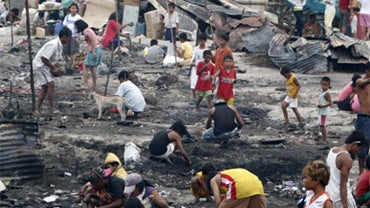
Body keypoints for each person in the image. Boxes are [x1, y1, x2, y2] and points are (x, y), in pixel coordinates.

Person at [33, 26, 72, 116]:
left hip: (44, 66)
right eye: (69, 38)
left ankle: (38, 109)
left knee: (45, 87)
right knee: (50, 84)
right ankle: (51, 108)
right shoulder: (54, 45)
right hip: (40, 66)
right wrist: (53, 68)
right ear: (65, 36)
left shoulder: (59, 46)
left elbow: (52, 59)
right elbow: (44, 58)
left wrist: (56, 67)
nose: (69, 40)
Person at [325, 131, 368, 208]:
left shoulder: (332, 150)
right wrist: (345, 204)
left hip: (329, 195)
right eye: (359, 149)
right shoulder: (346, 159)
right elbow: (343, 184)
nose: (358, 152)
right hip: (340, 199)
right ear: (354, 145)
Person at [74, 19, 102, 92]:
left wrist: (93, 51)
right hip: (96, 48)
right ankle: (94, 85)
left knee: (85, 66)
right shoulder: (89, 29)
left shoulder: (86, 31)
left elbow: (91, 41)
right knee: (92, 68)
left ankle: (86, 84)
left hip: (94, 49)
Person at [355, 64, 370, 173]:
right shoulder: (360, 82)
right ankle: (361, 172)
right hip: (364, 118)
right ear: (367, 71)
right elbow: (361, 82)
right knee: (363, 145)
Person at [63, 3, 82, 69]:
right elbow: (65, 26)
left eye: (75, 8)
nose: (73, 10)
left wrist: (78, 37)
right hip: (67, 36)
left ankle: (73, 65)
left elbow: (80, 28)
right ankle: (68, 65)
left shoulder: (78, 17)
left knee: (73, 51)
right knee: (66, 50)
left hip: (74, 36)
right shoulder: (67, 17)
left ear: (77, 9)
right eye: (72, 8)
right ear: (70, 9)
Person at [190, 33, 207, 99]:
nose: (200, 42)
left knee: (203, 82)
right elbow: (193, 59)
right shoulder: (196, 49)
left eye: (202, 41)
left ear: (205, 41)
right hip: (195, 68)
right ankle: (194, 95)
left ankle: (201, 95)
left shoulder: (206, 50)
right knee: (194, 82)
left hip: (203, 68)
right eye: (199, 41)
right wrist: (193, 63)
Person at [317, 77, 332, 144]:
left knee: (322, 126)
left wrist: (322, 106)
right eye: (323, 85)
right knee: (321, 125)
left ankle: (324, 140)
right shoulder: (322, 92)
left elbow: (330, 103)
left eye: (326, 85)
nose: (324, 86)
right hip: (321, 111)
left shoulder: (327, 93)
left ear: (329, 85)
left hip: (324, 112)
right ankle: (324, 139)